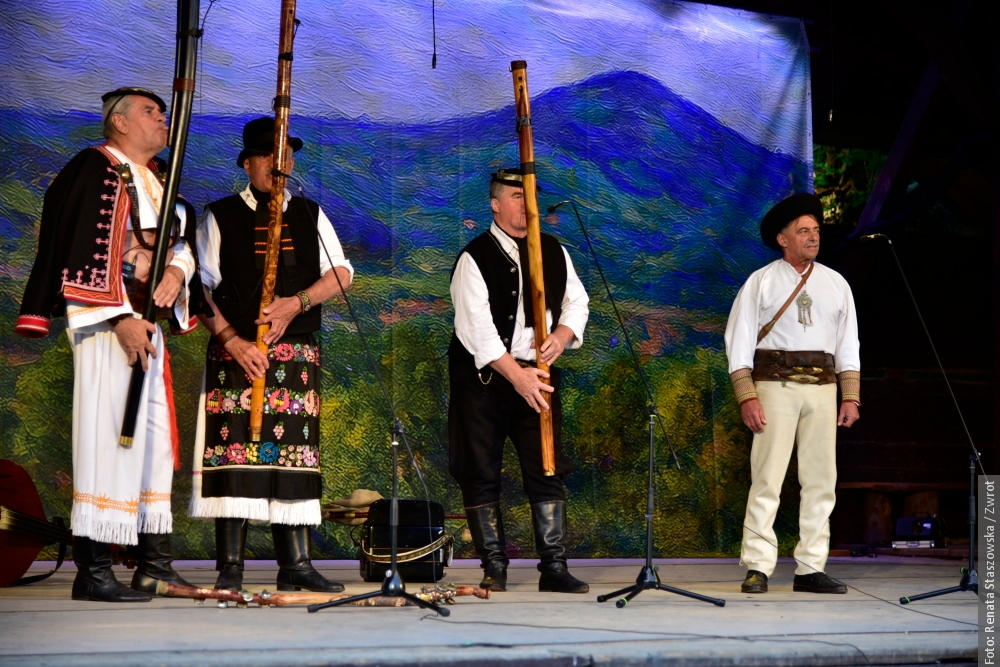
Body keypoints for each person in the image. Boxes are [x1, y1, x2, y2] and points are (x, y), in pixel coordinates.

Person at [15, 87, 203, 602]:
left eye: (163, 112)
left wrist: (176, 271)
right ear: (119, 122)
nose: (162, 119)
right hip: (107, 328)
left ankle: (153, 566)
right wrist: (118, 317)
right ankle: (94, 571)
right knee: (107, 441)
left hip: (148, 326)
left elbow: (181, 242)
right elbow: (80, 244)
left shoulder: (157, 179)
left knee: (151, 444)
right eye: (150, 112)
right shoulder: (95, 168)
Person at [189, 117, 353, 593]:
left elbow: (341, 273)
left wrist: (296, 303)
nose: (277, 165)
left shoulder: (309, 213)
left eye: (285, 157)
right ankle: (231, 567)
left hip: (296, 356)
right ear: (247, 163)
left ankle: (295, 565)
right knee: (234, 451)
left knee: (293, 454)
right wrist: (232, 340)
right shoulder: (220, 215)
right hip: (236, 354)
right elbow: (200, 288)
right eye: (266, 156)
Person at [448, 168, 590, 594]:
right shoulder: (475, 257)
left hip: (539, 374)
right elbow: (477, 332)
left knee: (546, 466)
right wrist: (518, 378)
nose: (526, 204)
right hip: (485, 381)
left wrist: (562, 336)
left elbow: (577, 302)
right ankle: (494, 566)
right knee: (480, 470)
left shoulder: (553, 250)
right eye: (515, 195)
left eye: (529, 195)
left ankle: (554, 567)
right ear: (495, 204)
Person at [724, 192, 861, 595]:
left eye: (816, 230)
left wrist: (850, 396)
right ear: (783, 239)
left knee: (821, 479)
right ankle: (758, 566)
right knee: (767, 478)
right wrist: (747, 396)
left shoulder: (836, 284)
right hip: (774, 386)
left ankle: (810, 568)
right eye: (803, 231)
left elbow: (848, 343)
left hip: (823, 389)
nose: (813, 236)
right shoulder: (762, 281)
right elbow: (738, 340)